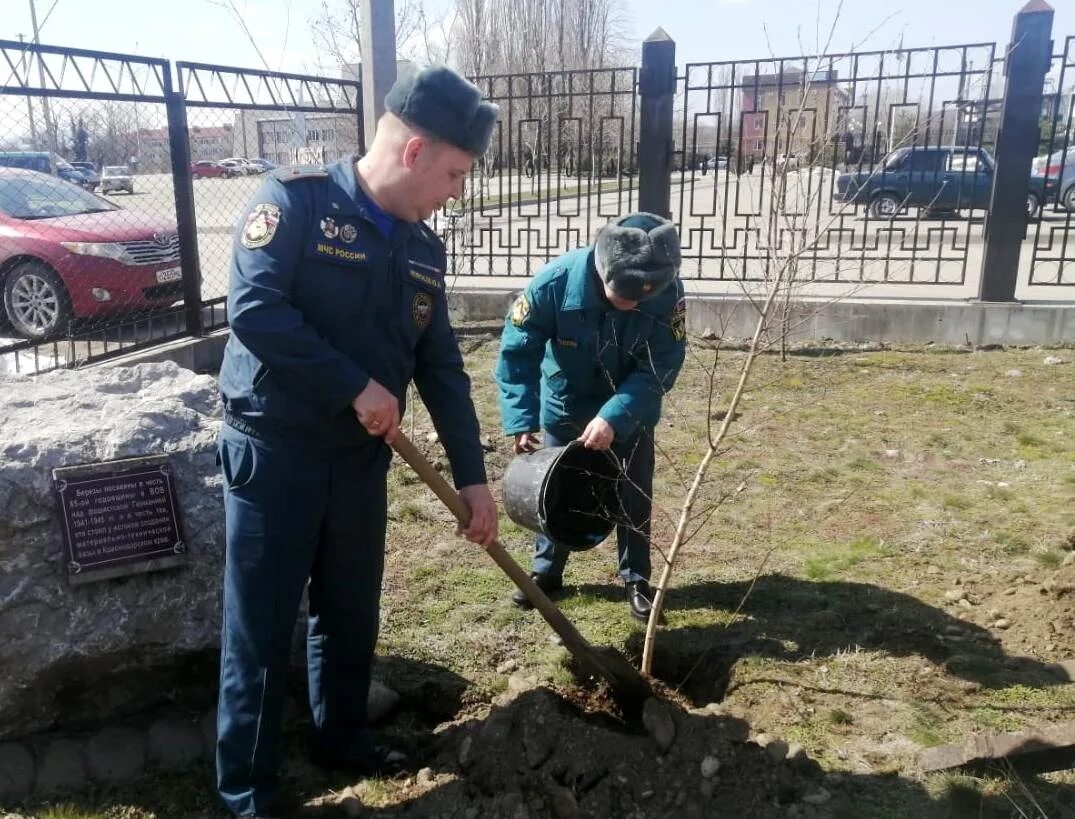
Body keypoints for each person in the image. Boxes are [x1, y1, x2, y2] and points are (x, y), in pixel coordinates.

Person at [215, 65, 499, 819]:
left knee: (349, 610)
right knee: (263, 624)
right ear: (413, 153)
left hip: (359, 460)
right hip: (274, 451)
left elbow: (440, 368)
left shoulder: (421, 250)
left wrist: (473, 479)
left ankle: (339, 735)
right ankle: (248, 788)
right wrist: (352, 383)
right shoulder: (295, 203)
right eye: (454, 173)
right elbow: (254, 310)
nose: (456, 191)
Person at [494, 213, 687, 622]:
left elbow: (663, 364)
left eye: (642, 297)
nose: (634, 304)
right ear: (603, 270)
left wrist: (616, 414)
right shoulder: (555, 282)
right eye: (626, 295)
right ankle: (546, 573)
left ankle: (636, 579)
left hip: (631, 407)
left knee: (633, 491)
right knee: (555, 489)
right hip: (566, 402)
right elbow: (517, 350)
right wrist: (521, 418)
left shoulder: (667, 291)